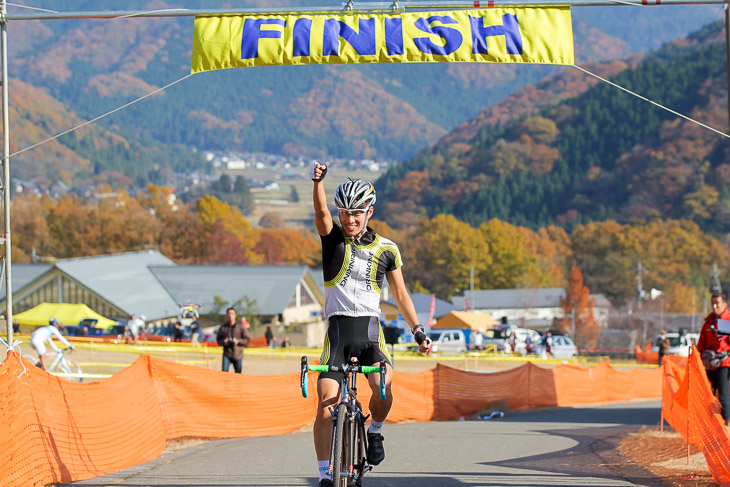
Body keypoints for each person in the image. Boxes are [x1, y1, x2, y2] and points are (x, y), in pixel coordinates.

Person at [310, 163, 431, 487]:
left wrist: (418, 330)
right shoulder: (333, 240)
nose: (350, 219)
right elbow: (321, 213)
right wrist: (317, 182)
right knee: (325, 406)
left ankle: (374, 431)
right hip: (337, 335)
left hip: (370, 334)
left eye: (357, 213)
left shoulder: (387, 249)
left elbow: (401, 294)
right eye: (345, 213)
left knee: (384, 383)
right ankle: (325, 474)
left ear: (369, 211)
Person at [698, 293, 730, 426]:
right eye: (712, 303)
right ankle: (710, 425)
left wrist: (720, 355)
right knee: (708, 396)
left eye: (717, 303)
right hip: (709, 364)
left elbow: (723, 343)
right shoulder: (709, 321)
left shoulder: (724, 321)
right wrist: (699, 359)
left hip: (723, 363)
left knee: (722, 396)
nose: (714, 306)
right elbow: (701, 344)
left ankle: (725, 425)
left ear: (724, 305)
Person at [216, 307, 250, 373]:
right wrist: (224, 342)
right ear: (227, 315)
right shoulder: (223, 327)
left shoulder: (241, 327)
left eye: (232, 313)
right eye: (229, 314)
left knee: (238, 375)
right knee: (224, 374)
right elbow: (218, 340)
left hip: (238, 355)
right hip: (227, 354)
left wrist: (239, 341)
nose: (230, 315)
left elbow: (247, 339)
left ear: (235, 315)